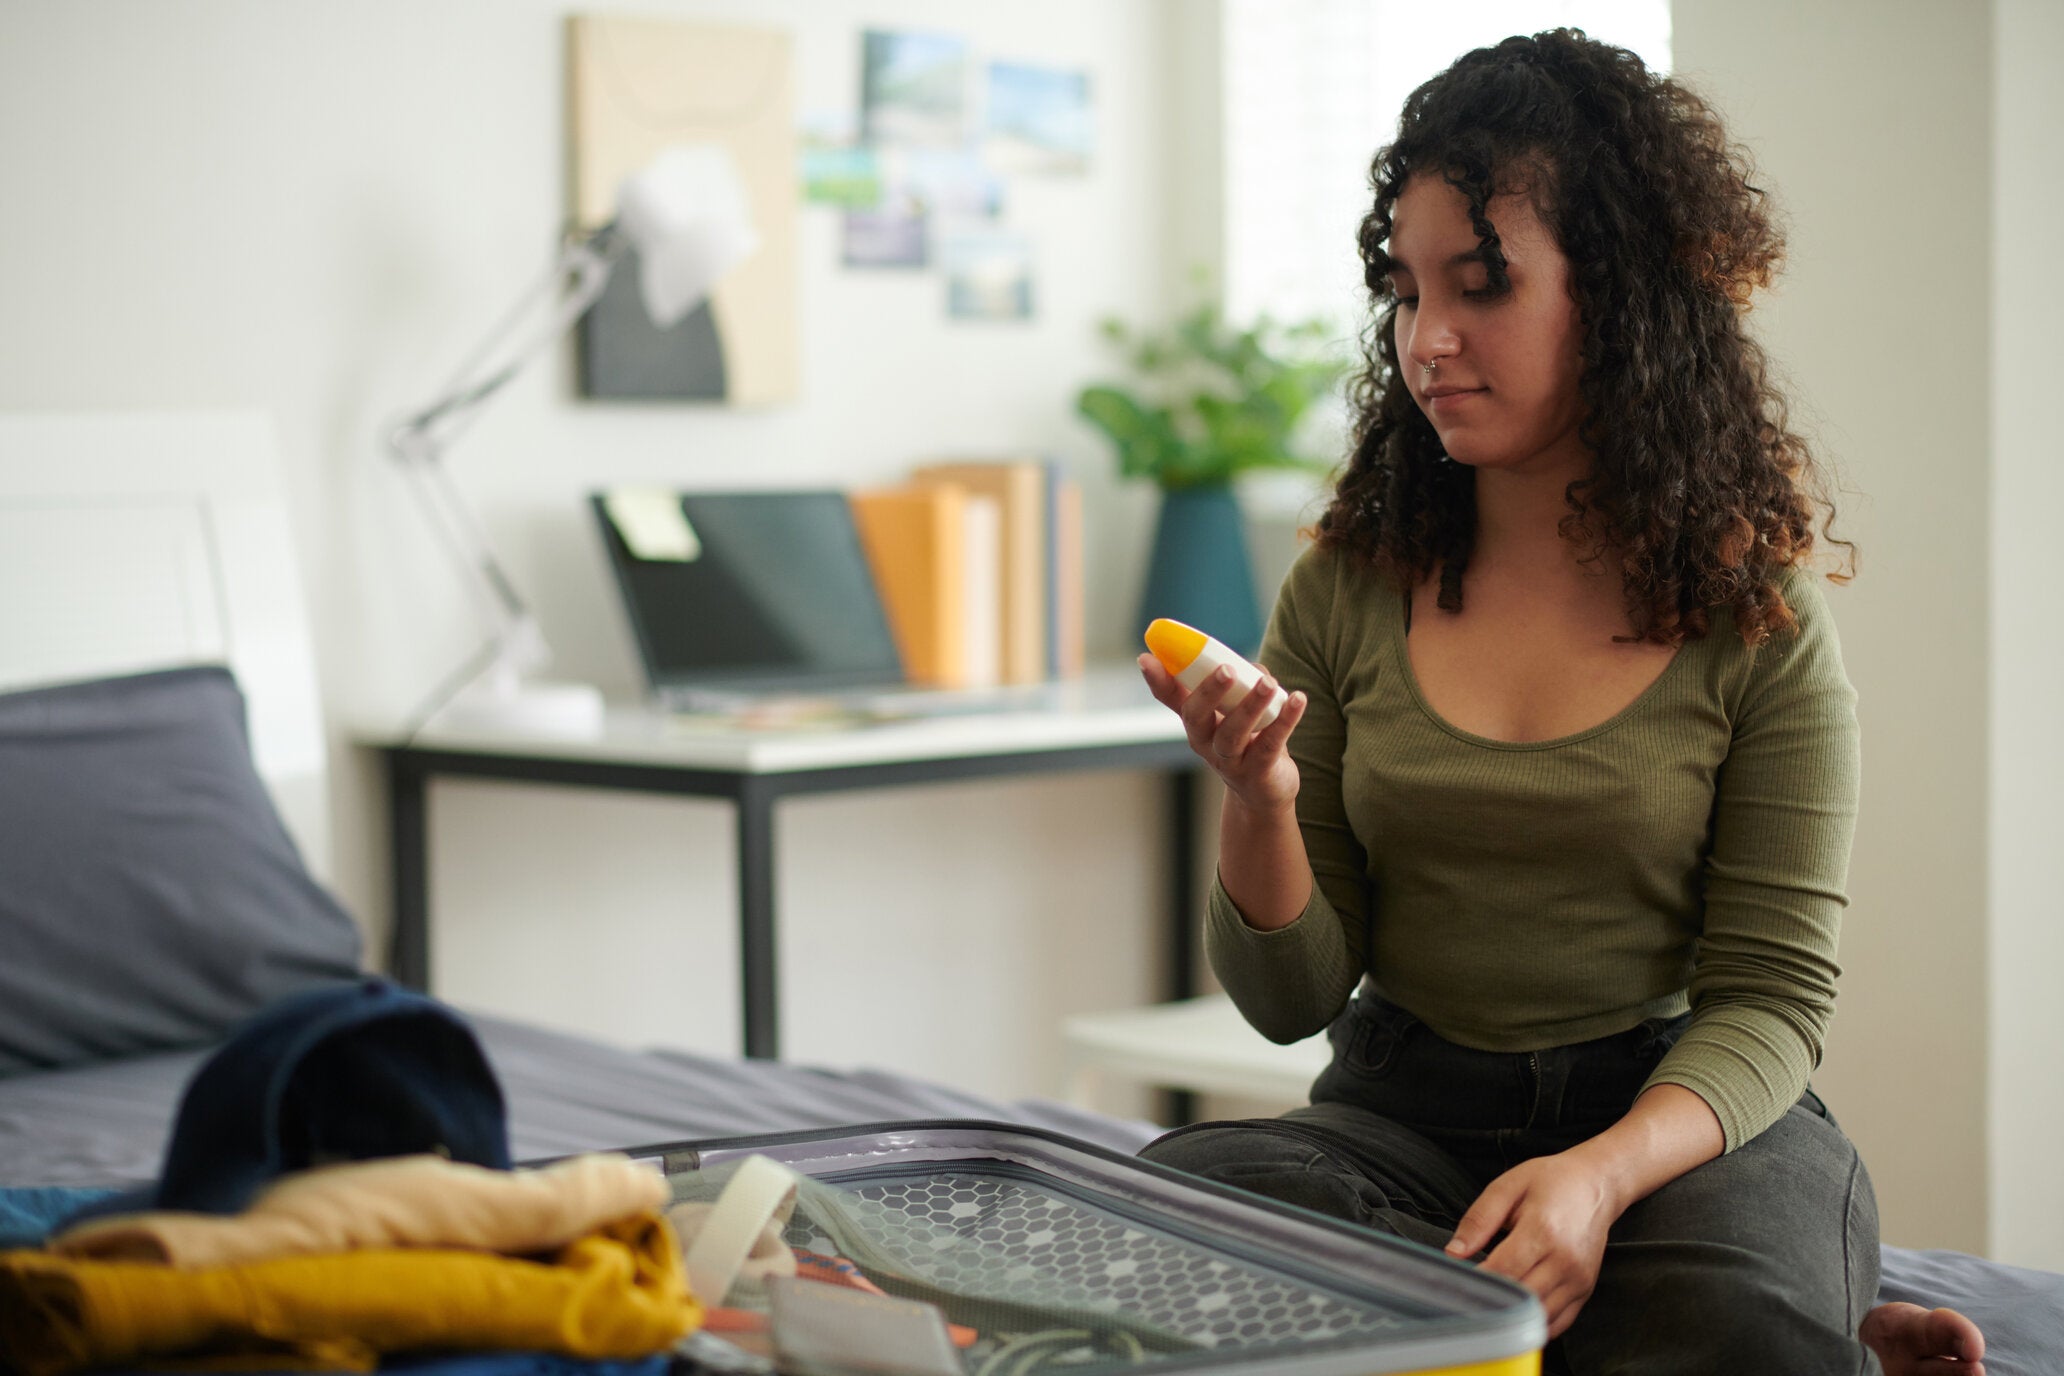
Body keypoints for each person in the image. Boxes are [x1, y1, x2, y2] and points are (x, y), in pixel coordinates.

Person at [1135, 29, 1985, 1376]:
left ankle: (1739, 1303)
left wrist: (1593, 1181)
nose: (1431, 339)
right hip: (1398, 1116)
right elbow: (1288, 1004)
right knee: (1178, 1221)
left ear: (1626, 296)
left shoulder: (1750, 607)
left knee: (1726, 1321)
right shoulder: (1350, 583)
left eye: (1482, 285)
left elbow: (1770, 999)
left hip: (1675, 1119)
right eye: (1408, 293)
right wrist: (1262, 805)